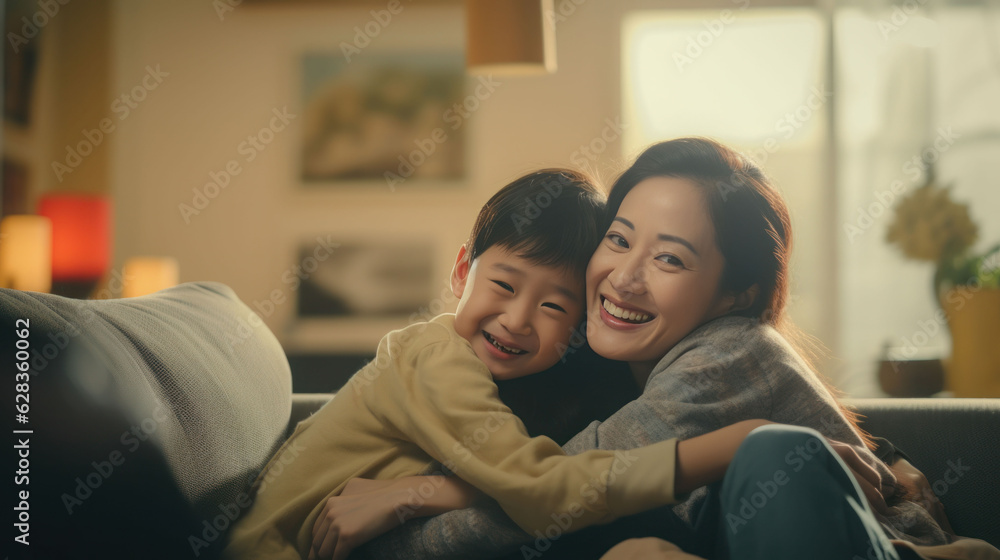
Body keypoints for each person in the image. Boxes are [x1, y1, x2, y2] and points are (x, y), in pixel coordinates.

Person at [339, 138, 999, 560]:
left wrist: (407, 506)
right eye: (620, 240)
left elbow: (566, 490)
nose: (625, 277)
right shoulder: (598, 359)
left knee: (761, 453)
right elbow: (564, 476)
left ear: (733, 293)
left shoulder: (731, 353)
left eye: (672, 259)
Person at [221, 168, 800, 560]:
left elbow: (529, 475)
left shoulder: (531, 390)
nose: (519, 320)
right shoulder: (437, 360)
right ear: (459, 273)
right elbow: (547, 489)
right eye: (502, 283)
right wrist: (746, 441)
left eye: (553, 305)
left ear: (579, 325)